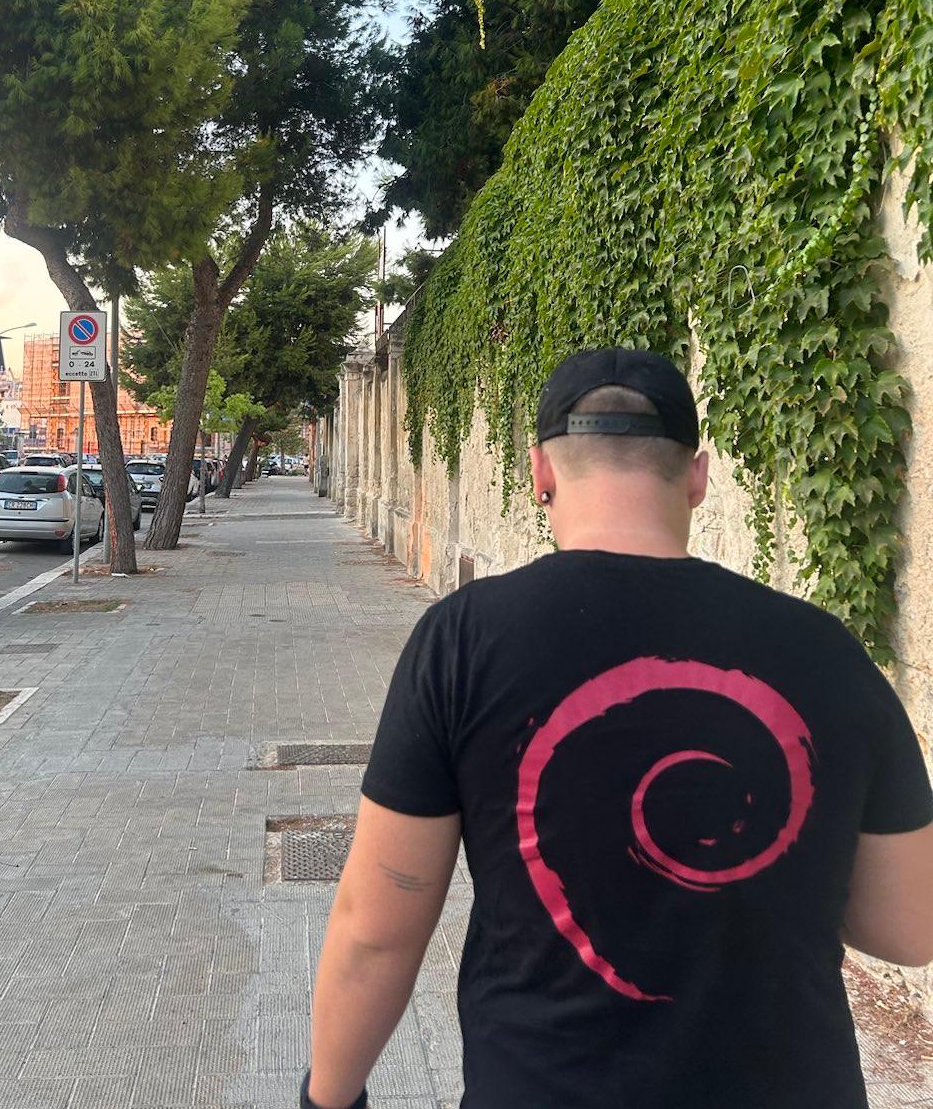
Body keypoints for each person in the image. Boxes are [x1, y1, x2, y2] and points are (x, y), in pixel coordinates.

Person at [302, 347, 933, 1109]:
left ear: (539, 473)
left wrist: (328, 1099)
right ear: (697, 478)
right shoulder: (826, 650)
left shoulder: (464, 641)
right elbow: (909, 927)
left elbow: (377, 931)